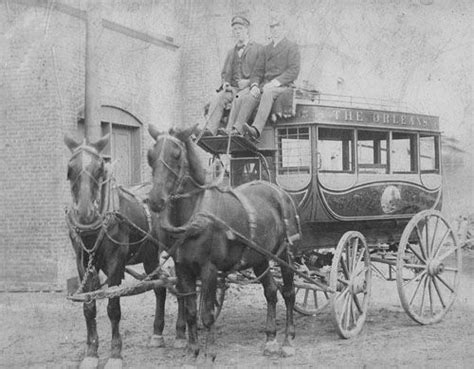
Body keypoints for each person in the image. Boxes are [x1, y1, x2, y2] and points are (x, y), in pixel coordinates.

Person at [230, 14, 300, 140]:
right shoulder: (265, 49)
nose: (274, 29)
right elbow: (257, 71)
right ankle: (237, 129)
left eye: (277, 26)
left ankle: (256, 129)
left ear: (284, 28)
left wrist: (275, 82)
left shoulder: (292, 47)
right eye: (272, 27)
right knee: (251, 95)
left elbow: (293, 71)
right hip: (265, 85)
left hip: (283, 86)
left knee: (267, 92)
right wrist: (255, 85)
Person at [203, 16, 263, 136]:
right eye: (235, 29)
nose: (237, 32)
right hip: (234, 88)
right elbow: (225, 73)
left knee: (238, 98)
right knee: (218, 97)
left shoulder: (258, 49)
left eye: (240, 28)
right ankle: (210, 130)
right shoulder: (231, 52)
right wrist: (225, 82)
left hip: (249, 88)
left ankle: (229, 130)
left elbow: (261, 72)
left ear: (247, 30)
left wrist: (249, 82)